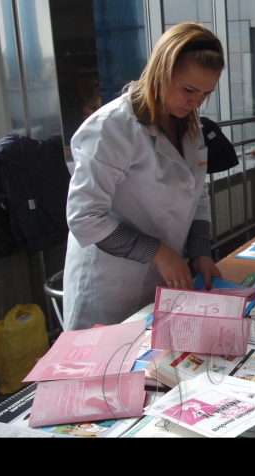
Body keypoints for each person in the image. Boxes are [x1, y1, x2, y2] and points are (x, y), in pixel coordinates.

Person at [63, 23, 225, 331]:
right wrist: (159, 252)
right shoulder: (112, 128)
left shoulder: (189, 127)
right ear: (162, 71)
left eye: (206, 93)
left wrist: (200, 250)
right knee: (105, 371)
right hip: (109, 285)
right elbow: (85, 217)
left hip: (161, 278)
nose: (196, 104)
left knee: (153, 371)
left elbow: (196, 195)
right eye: (189, 90)